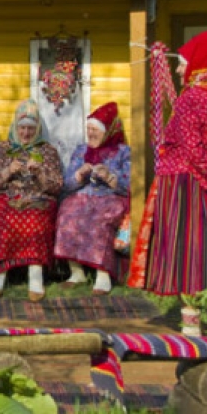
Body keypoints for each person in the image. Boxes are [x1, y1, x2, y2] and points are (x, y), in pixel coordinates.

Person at [140, 30, 207, 334]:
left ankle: (190, 327)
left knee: (189, 250)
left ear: (199, 62)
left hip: (186, 187)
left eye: (182, 61)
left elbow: (191, 150)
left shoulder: (191, 99)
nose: (177, 68)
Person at [0, 98, 62, 300]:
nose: (26, 133)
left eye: (30, 129)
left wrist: (41, 173)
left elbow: (57, 186)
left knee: (36, 217)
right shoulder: (2, 149)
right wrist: (9, 170)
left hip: (38, 197)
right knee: (3, 214)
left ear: (37, 130)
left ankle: (35, 275)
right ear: (15, 126)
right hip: (7, 196)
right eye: (22, 128)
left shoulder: (47, 151)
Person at [54, 101, 130, 295]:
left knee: (99, 221)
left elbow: (130, 185)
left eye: (96, 129)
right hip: (82, 196)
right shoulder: (81, 151)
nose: (91, 134)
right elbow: (67, 184)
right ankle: (76, 273)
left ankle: (103, 275)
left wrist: (110, 176)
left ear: (109, 131)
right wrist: (79, 175)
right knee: (67, 214)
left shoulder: (122, 152)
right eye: (88, 129)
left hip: (110, 197)